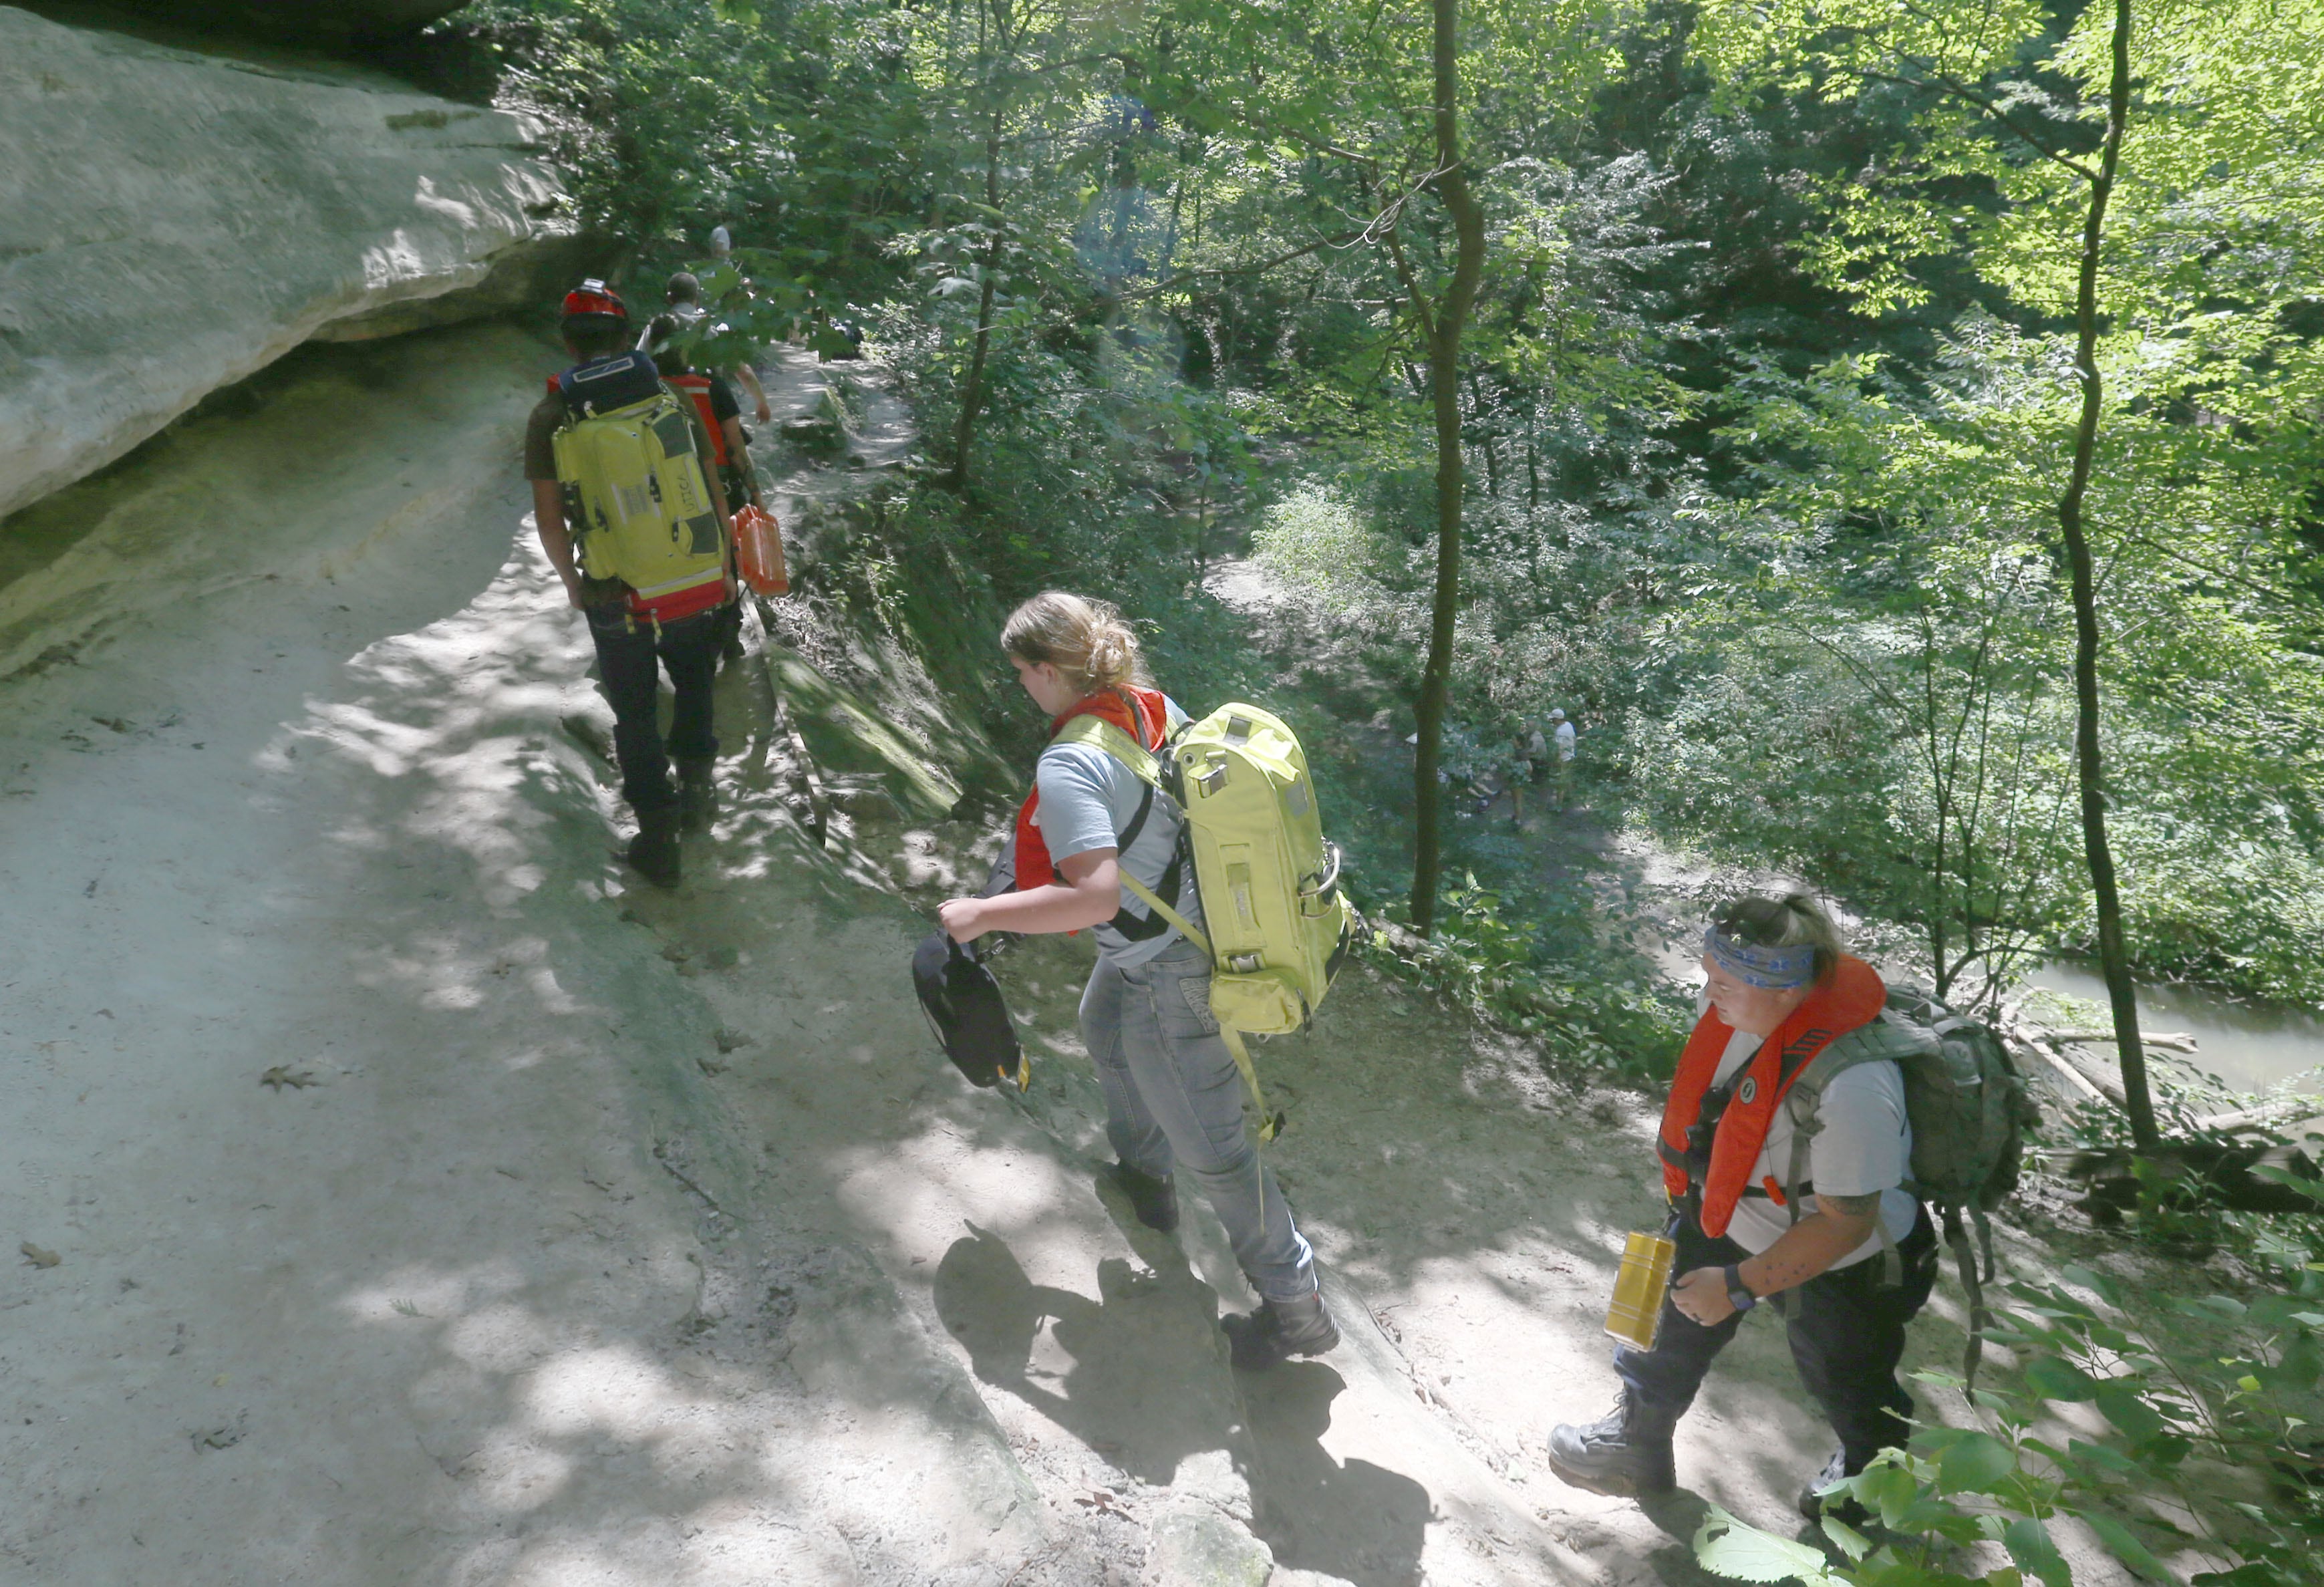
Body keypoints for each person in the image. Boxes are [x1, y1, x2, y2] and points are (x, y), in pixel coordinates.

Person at [937, 592, 1340, 1370]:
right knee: (1101, 1026)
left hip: (1169, 969)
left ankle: (1298, 1310)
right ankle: (1145, 1176)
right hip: (1181, 931)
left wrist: (983, 914)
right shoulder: (1142, 704)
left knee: (1219, 1151)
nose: (1019, 685)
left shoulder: (1068, 761)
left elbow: (1092, 895)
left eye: (1021, 672)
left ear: (1048, 670)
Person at [1546, 893, 1939, 1518]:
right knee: (1662, 1329)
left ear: (1787, 992)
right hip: (1730, 1206)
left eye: (1725, 982)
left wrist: (1737, 1286)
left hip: (1848, 1257)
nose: (1710, 992)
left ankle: (1867, 1481)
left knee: (1847, 1377)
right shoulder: (1736, 1010)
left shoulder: (1855, 1085)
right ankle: (1636, 1444)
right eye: (1710, 975)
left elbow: (1847, 1221)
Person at [525, 281, 733, 887]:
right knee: (693, 677)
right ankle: (698, 789)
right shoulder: (666, 394)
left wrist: (573, 582)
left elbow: (548, 517)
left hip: (615, 589)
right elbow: (709, 482)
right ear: (626, 337)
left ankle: (657, 835)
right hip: (689, 574)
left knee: (634, 708)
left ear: (566, 342)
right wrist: (720, 564)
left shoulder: (552, 415)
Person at [664, 269, 772, 426]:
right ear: (697, 297)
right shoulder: (708, 328)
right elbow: (742, 371)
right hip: (706, 405)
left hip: (667, 406)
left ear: (669, 298)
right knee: (737, 446)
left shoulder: (655, 327)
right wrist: (761, 402)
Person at [1547, 707, 1576, 808]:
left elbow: (1560, 748)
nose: (1552, 722)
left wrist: (1557, 760)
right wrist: (1573, 751)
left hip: (1563, 759)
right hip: (1571, 756)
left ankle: (1559, 806)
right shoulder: (1569, 725)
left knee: (1561, 783)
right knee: (1568, 778)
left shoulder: (1560, 732)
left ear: (1557, 719)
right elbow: (1574, 738)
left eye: (1553, 719)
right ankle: (1570, 797)